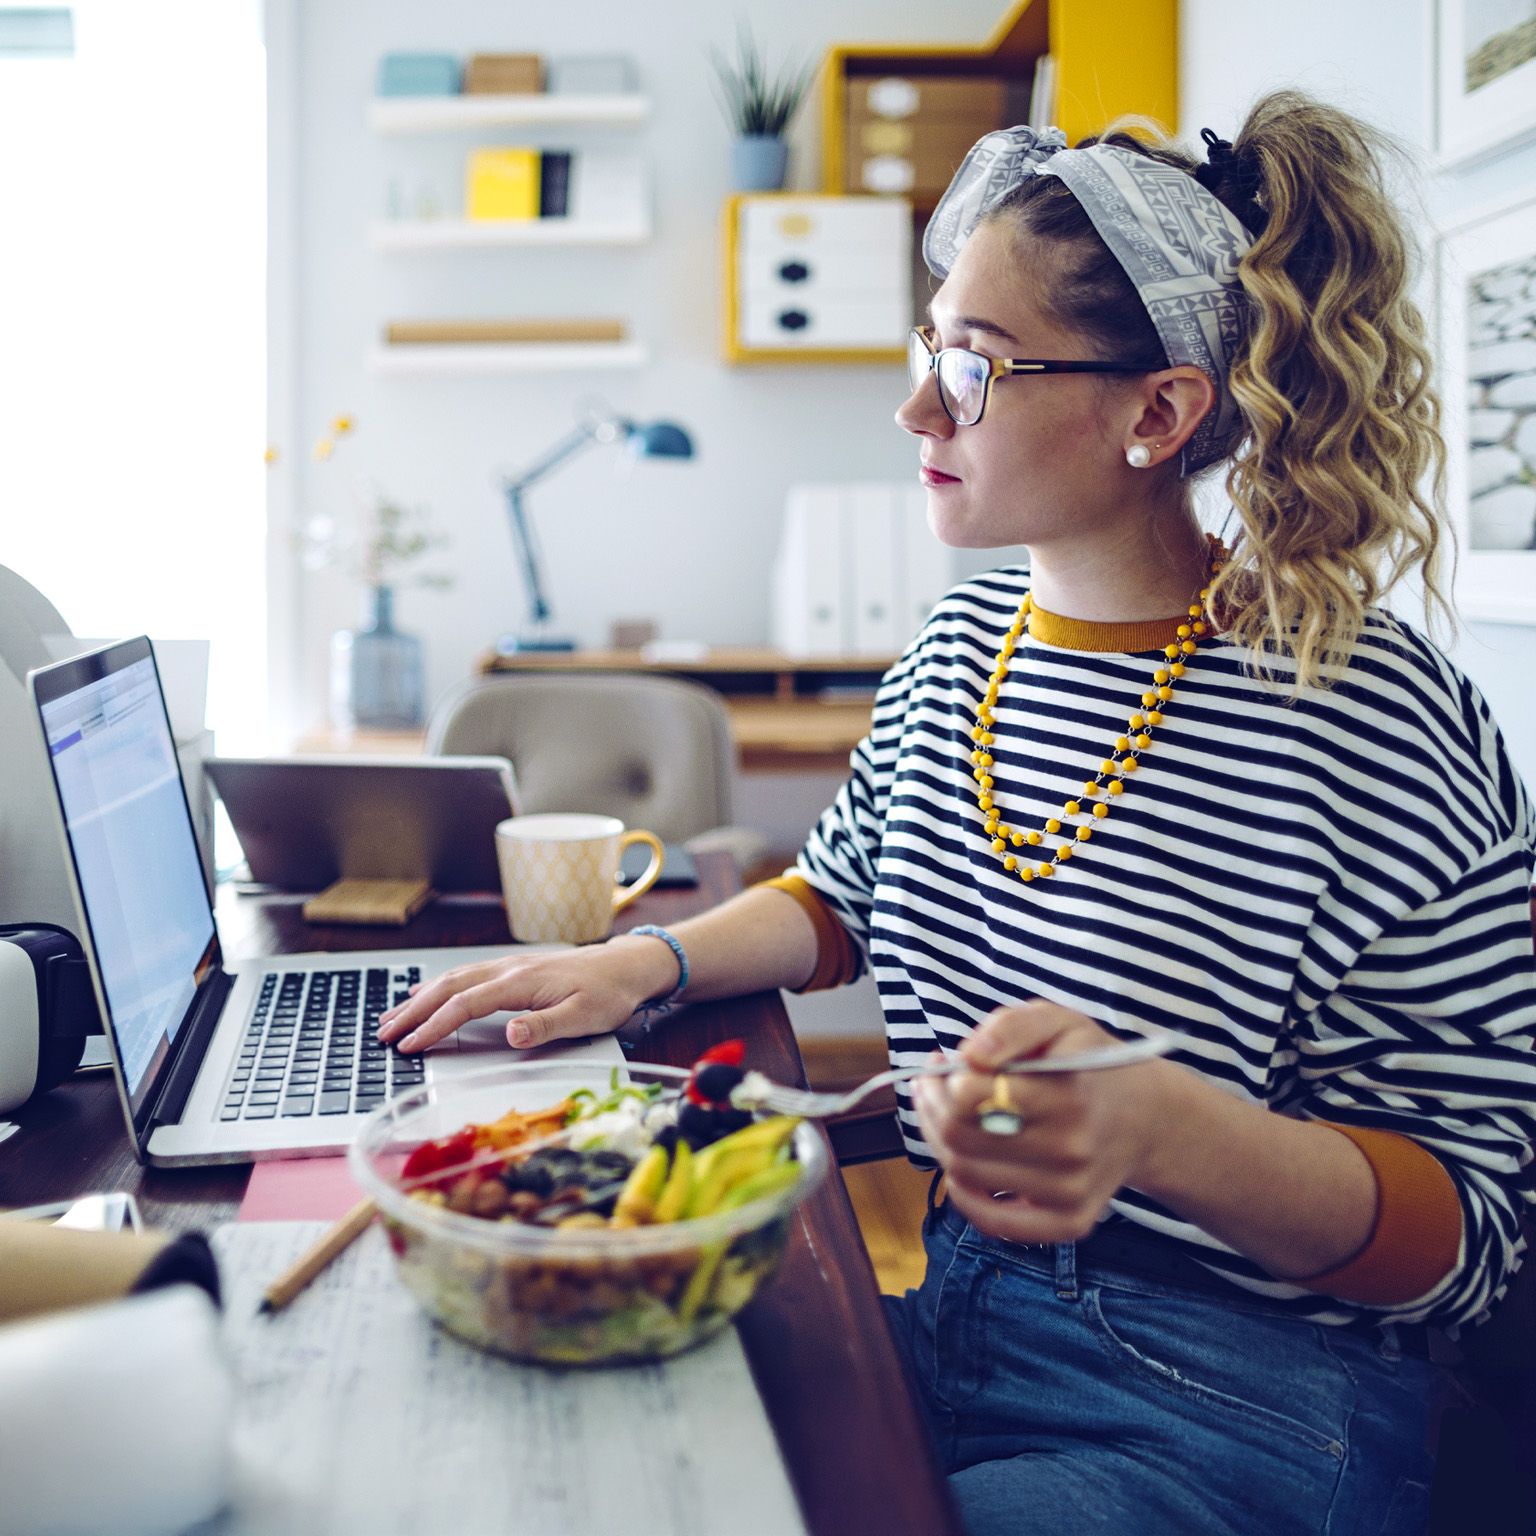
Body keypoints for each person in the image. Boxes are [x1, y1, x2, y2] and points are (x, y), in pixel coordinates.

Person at [379, 91, 1536, 1536]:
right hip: (953, 1308)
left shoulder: (1371, 709)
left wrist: (1165, 1130)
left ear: (1157, 410)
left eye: (975, 368)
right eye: (933, 348)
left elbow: (1474, 1239)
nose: (917, 405)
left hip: (1243, 1399)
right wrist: (644, 962)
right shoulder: (963, 640)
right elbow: (851, 889)